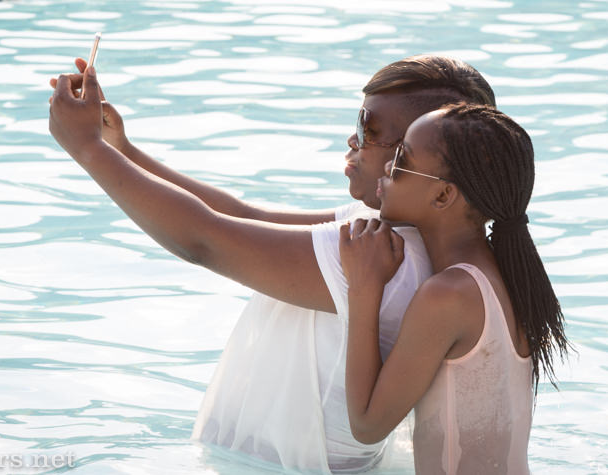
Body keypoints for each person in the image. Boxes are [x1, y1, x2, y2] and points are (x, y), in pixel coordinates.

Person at [48, 55, 495, 472]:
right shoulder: (385, 231)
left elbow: (203, 240)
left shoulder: (380, 257)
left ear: (425, 157)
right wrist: (120, 147)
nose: (352, 139)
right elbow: (246, 217)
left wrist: (87, 150)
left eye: (370, 127)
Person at [339, 104, 570, 474]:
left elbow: (367, 425)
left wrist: (363, 286)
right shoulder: (507, 274)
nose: (386, 166)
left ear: (443, 196)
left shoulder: (448, 294)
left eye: (400, 159)